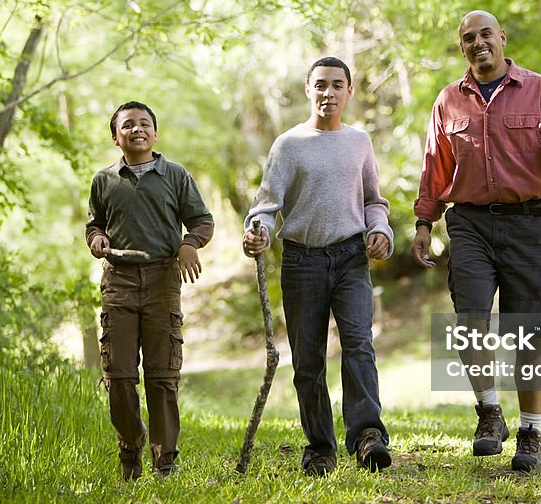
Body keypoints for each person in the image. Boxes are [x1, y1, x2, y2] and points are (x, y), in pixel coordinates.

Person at [412, 10, 541, 472]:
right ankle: (489, 414)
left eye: (485, 34)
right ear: (462, 48)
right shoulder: (448, 101)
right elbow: (435, 167)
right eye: (468, 38)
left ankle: (531, 431)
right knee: (470, 317)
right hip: (470, 223)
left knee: (528, 333)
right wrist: (424, 223)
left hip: (530, 222)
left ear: (502, 38)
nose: (478, 43)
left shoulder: (540, 90)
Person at [243, 57, 393, 477]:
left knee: (359, 345)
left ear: (349, 92)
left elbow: (372, 201)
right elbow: (266, 206)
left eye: (337, 85)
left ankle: (367, 437)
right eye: (321, 85)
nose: (329, 93)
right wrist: (256, 232)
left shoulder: (359, 141)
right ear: (309, 90)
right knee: (308, 359)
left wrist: (380, 230)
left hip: (350, 257)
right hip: (302, 260)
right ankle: (321, 446)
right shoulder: (288, 145)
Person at [86, 101, 215, 480]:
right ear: (115, 137)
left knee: (162, 376)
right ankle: (130, 448)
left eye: (144, 124)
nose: (137, 129)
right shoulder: (104, 180)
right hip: (119, 282)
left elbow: (202, 220)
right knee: (119, 377)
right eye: (128, 125)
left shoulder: (174, 175)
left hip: (162, 281)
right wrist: (96, 239)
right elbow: (94, 224)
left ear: (155, 134)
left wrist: (189, 243)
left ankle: (165, 460)